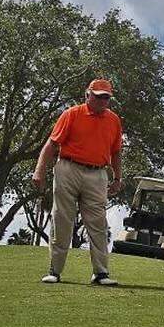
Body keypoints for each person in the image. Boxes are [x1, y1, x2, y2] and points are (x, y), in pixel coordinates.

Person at [32, 78, 123, 286]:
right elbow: (52, 144)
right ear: (87, 95)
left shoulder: (114, 120)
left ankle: (100, 273)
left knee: (98, 223)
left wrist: (118, 178)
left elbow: (116, 152)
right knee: (62, 218)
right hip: (68, 168)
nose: (102, 101)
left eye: (106, 98)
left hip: (98, 173)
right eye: (98, 96)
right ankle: (54, 271)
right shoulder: (72, 114)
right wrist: (39, 171)